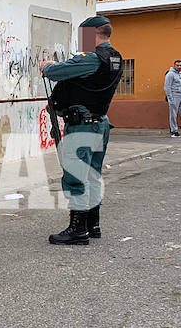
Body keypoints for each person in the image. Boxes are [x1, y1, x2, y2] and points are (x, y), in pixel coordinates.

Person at [40, 16, 123, 245]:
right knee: (92, 175)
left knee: (76, 175)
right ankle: (92, 224)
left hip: (82, 126)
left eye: (83, 35)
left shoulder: (93, 59)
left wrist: (47, 66)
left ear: (94, 33)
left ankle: (77, 229)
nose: (81, 41)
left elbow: (57, 71)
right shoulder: (115, 57)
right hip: (99, 123)